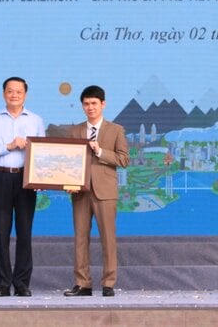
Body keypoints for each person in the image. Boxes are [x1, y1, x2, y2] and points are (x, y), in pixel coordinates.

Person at [0, 76, 45, 297]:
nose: (14, 95)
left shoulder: (36, 120)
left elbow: (42, 154)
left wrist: (41, 178)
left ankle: (22, 283)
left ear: (25, 94)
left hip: (26, 179)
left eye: (18, 91)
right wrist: (9, 146)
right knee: (1, 232)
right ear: (3, 93)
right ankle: (3, 284)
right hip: (1, 177)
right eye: (10, 91)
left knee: (25, 232)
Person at [63, 85, 129, 297]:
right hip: (80, 192)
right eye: (86, 104)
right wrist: (67, 181)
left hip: (105, 192)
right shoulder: (74, 131)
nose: (90, 107)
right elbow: (68, 162)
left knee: (108, 238)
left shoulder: (116, 130)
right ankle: (83, 284)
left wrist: (100, 151)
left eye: (94, 103)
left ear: (103, 104)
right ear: (82, 106)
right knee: (80, 238)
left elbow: (124, 159)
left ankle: (108, 283)